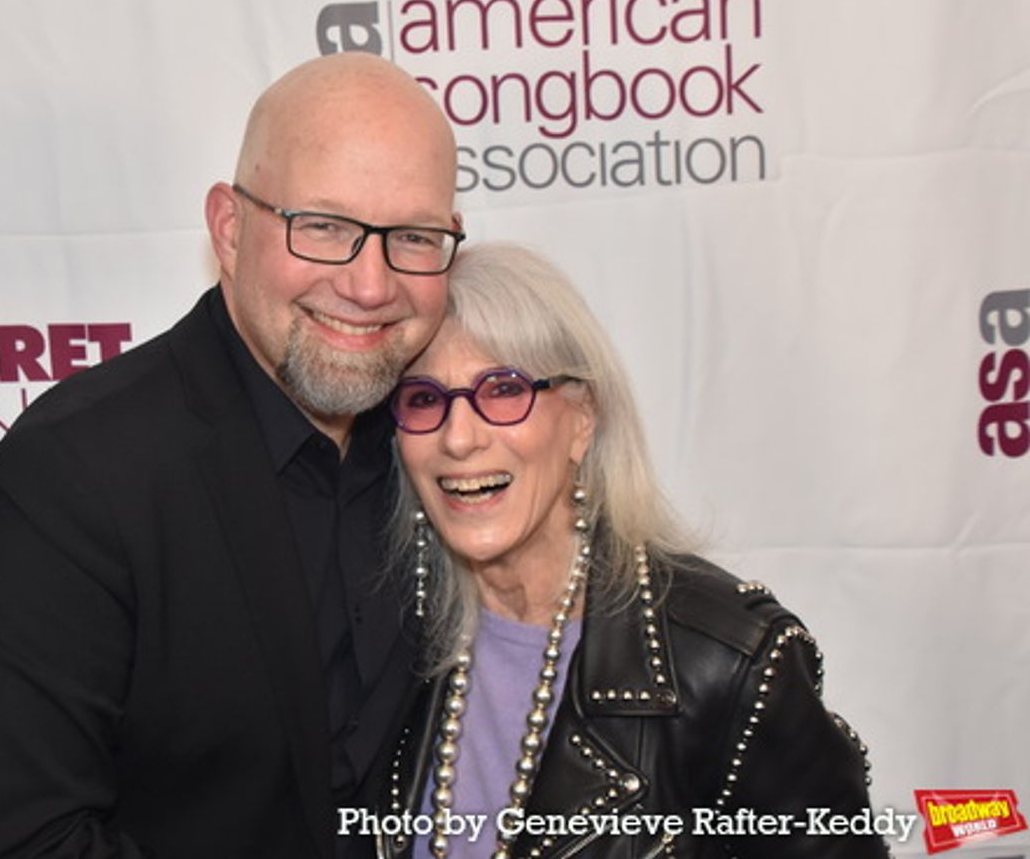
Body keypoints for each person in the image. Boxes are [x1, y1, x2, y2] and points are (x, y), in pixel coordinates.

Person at [0, 52, 463, 859]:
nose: (368, 283)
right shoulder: (71, 478)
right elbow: (17, 846)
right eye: (323, 226)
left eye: (413, 237)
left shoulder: (453, 440)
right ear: (229, 228)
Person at [366, 244, 883, 859]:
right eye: (424, 399)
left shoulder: (728, 663)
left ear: (582, 418)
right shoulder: (386, 634)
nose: (459, 437)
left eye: (503, 390)